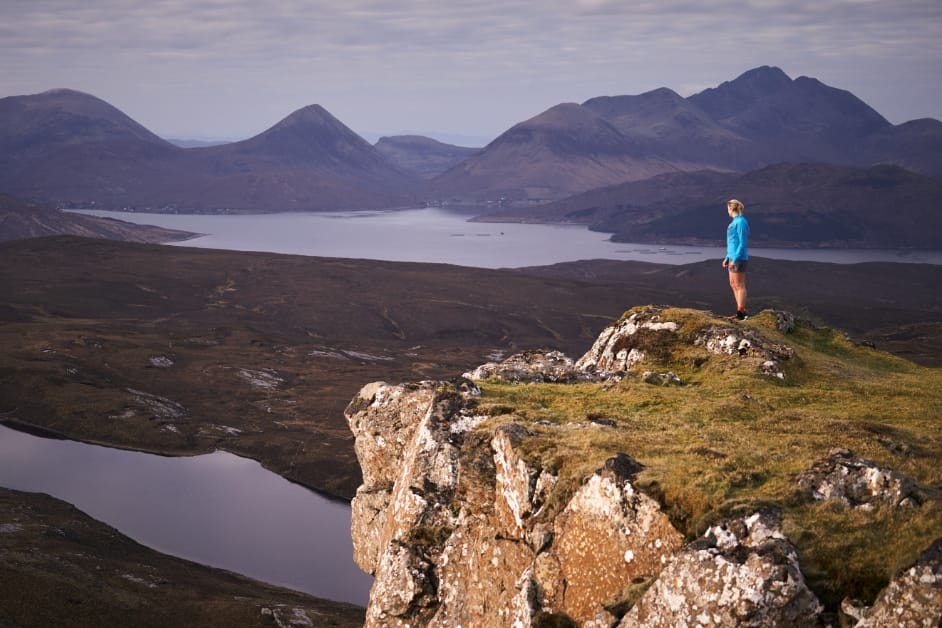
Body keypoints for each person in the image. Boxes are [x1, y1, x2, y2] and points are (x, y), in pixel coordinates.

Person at [722, 199, 750, 320]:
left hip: (739, 258)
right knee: (733, 284)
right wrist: (728, 257)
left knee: (739, 285)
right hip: (733, 257)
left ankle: (741, 313)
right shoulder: (735, 221)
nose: (727, 211)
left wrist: (735, 258)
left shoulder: (741, 222)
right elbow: (733, 242)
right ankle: (739, 311)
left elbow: (742, 243)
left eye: (728, 208)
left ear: (731, 208)